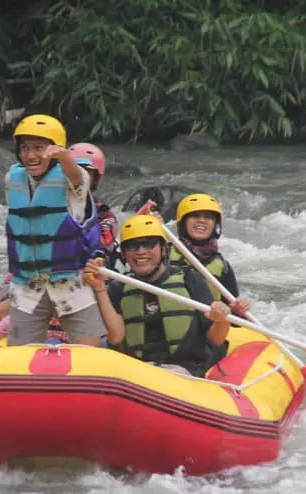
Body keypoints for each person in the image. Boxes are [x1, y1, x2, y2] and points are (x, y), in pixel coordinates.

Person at [83, 215, 231, 376]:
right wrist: (100, 289)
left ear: (163, 249)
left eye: (149, 244)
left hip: (184, 370)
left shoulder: (189, 279)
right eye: (132, 246)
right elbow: (116, 337)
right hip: (137, 370)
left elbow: (216, 339)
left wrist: (221, 319)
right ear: (124, 253)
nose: (141, 251)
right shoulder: (118, 287)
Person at [4, 114, 107, 346]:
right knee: (19, 352)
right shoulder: (13, 179)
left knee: (90, 351)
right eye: (25, 148)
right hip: (27, 285)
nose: (31, 155)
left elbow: (75, 175)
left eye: (39, 148)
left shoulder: (74, 176)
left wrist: (64, 156)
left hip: (70, 281)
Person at [169, 193, 249, 316]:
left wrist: (238, 309)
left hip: (207, 326)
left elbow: (233, 316)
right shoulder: (162, 254)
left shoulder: (222, 266)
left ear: (215, 224)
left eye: (208, 217)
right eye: (195, 215)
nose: (201, 220)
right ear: (183, 222)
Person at [68, 142, 120, 270]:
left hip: (90, 269)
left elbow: (106, 247)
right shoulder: (50, 203)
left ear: (95, 179)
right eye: (73, 172)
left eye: (86, 173)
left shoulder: (104, 214)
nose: (78, 179)